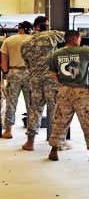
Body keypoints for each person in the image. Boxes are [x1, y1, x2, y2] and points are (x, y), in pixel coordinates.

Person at [47, 30, 89, 161]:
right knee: (87, 121)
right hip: (80, 91)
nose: (80, 41)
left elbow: (53, 74)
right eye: (79, 38)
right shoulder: (83, 51)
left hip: (64, 91)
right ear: (75, 39)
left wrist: (63, 84)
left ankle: (54, 150)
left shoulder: (56, 54)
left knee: (60, 121)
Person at [20, 16, 65, 151]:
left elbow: (26, 63)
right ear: (44, 26)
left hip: (34, 79)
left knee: (34, 110)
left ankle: (30, 142)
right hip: (51, 79)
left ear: (35, 27)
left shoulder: (26, 43)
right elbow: (68, 36)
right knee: (55, 110)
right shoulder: (51, 36)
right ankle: (57, 143)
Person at [1, 21, 33, 139]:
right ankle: (31, 131)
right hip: (29, 73)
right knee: (31, 103)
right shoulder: (33, 40)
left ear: (19, 29)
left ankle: (8, 130)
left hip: (13, 72)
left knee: (11, 102)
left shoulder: (8, 41)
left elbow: (3, 60)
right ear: (29, 29)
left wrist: (5, 72)